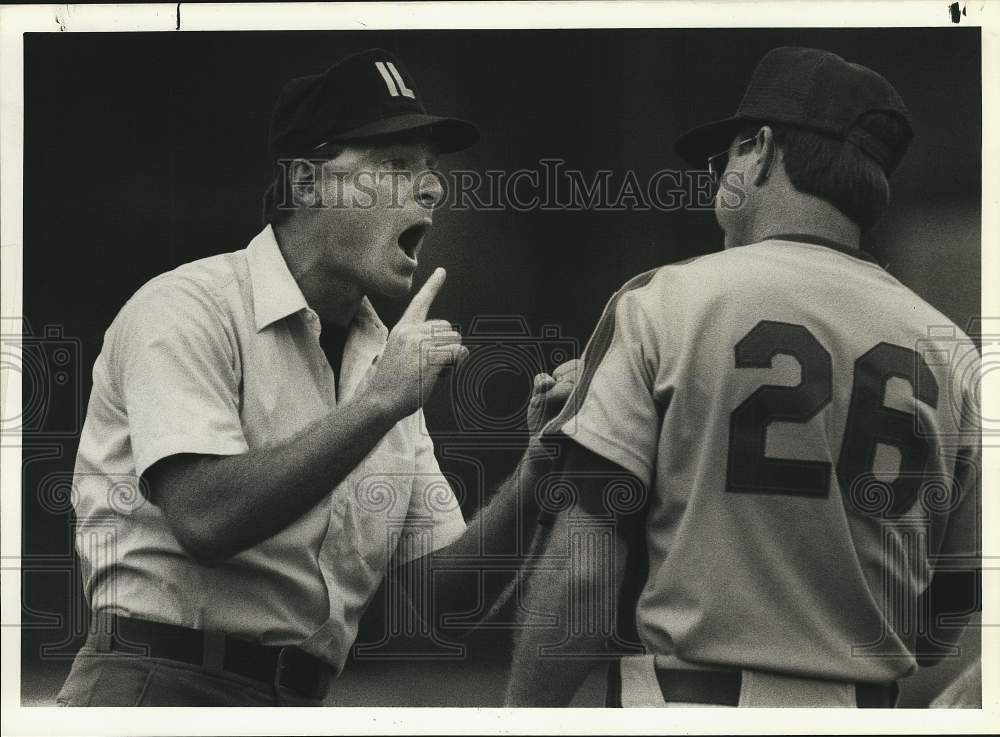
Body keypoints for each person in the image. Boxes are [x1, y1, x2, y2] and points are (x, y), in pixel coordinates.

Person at [56, 48, 576, 707]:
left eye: (431, 171)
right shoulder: (186, 306)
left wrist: (539, 467)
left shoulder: (385, 360)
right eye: (395, 165)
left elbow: (441, 601)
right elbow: (205, 518)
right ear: (306, 184)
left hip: (299, 703)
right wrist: (379, 403)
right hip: (154, 686)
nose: (433, 188)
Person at [504, 46, 981, 707]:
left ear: (758, 148)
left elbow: (585, 576)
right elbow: (942, 621)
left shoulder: (663, 302)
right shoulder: (954, 353)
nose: (717, 177)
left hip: (691, 704)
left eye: (722, 158)